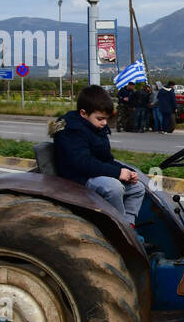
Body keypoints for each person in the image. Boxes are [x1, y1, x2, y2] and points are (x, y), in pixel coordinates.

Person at [52, 85, 146, 225]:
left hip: (93, 173)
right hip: (77, 178)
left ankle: (128, 225)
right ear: (84, 113)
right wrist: (117, 173)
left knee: (138, 188)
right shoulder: (71, 131)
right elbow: (82, 163)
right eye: (100, 118)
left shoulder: (95, 128)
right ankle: (118, 228)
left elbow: (106, 159)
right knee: (113, 187)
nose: (104, 123)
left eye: (106, 119)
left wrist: (128, 172)